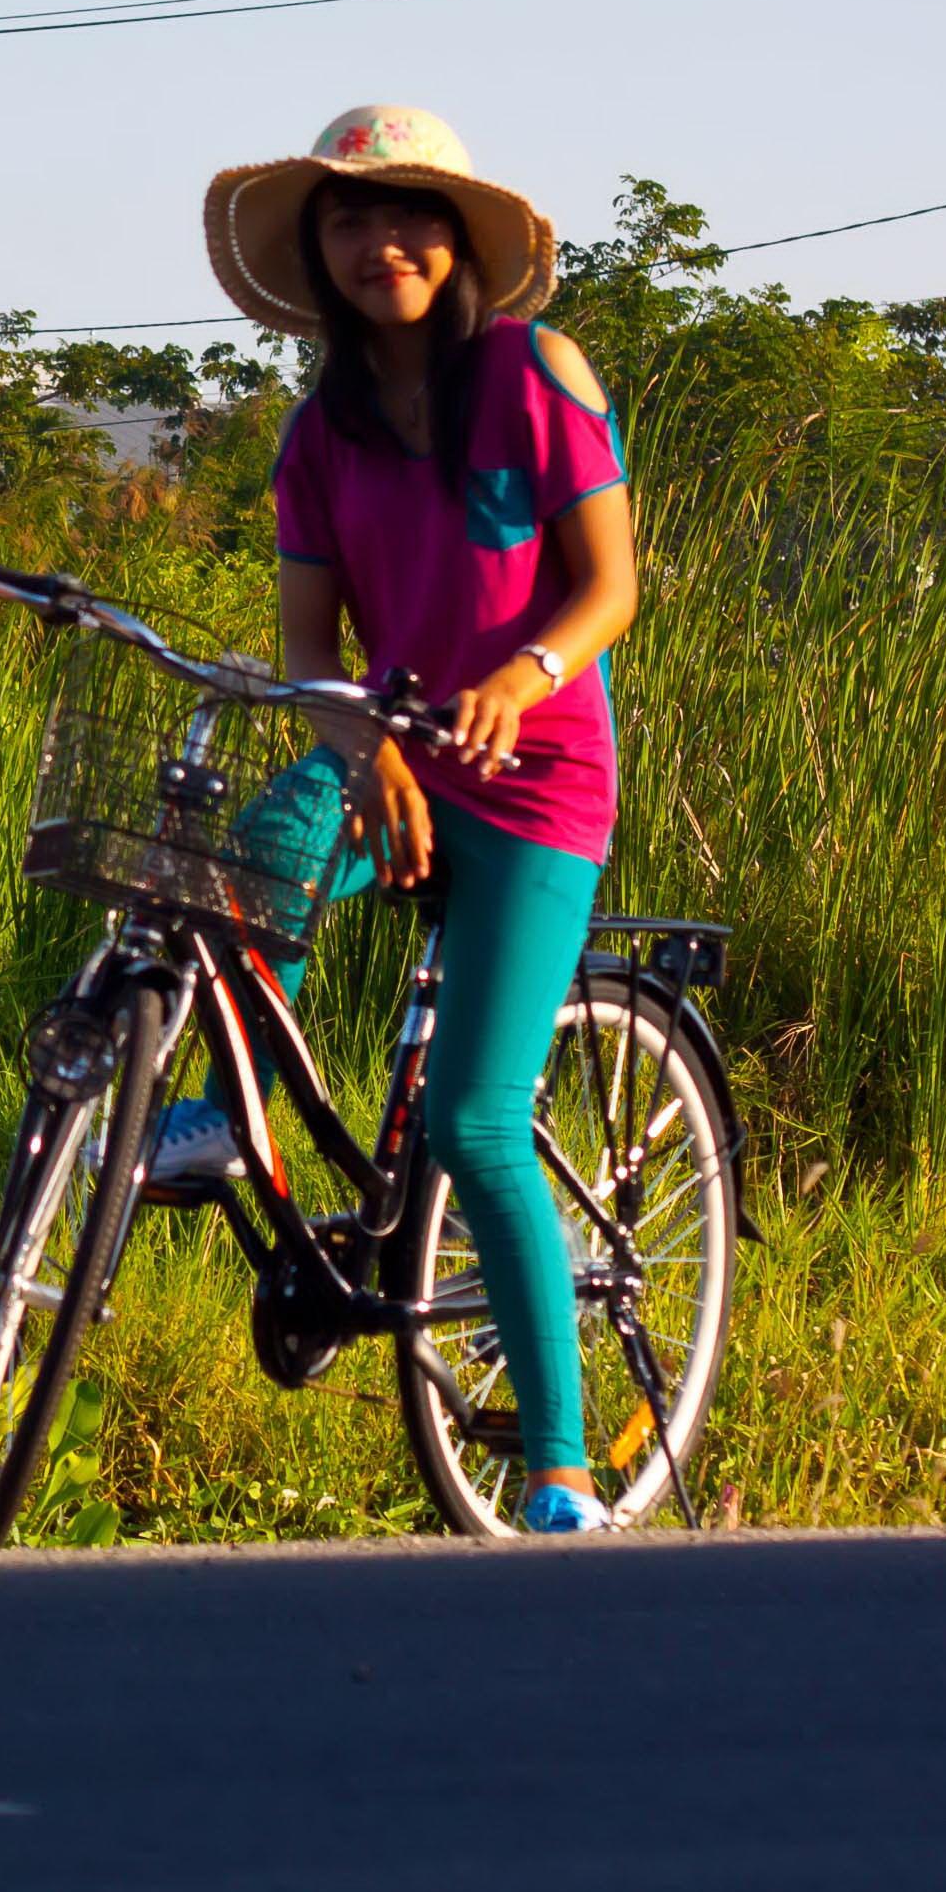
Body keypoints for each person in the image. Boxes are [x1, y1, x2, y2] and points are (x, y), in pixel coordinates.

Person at [194, 104, 642, 1533]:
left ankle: (559, 1460)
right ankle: (224, 1111)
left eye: (410, 217)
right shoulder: (315, 434)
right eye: (348, 218)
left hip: (538, 771)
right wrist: (361, 747)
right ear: (315, 252)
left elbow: (610, 587)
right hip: (392, 745)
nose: (381, 242)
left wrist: (524, 674)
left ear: (458, 243)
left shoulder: (532, 372)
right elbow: (305, 654)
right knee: (254, 854)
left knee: (474, 1120)